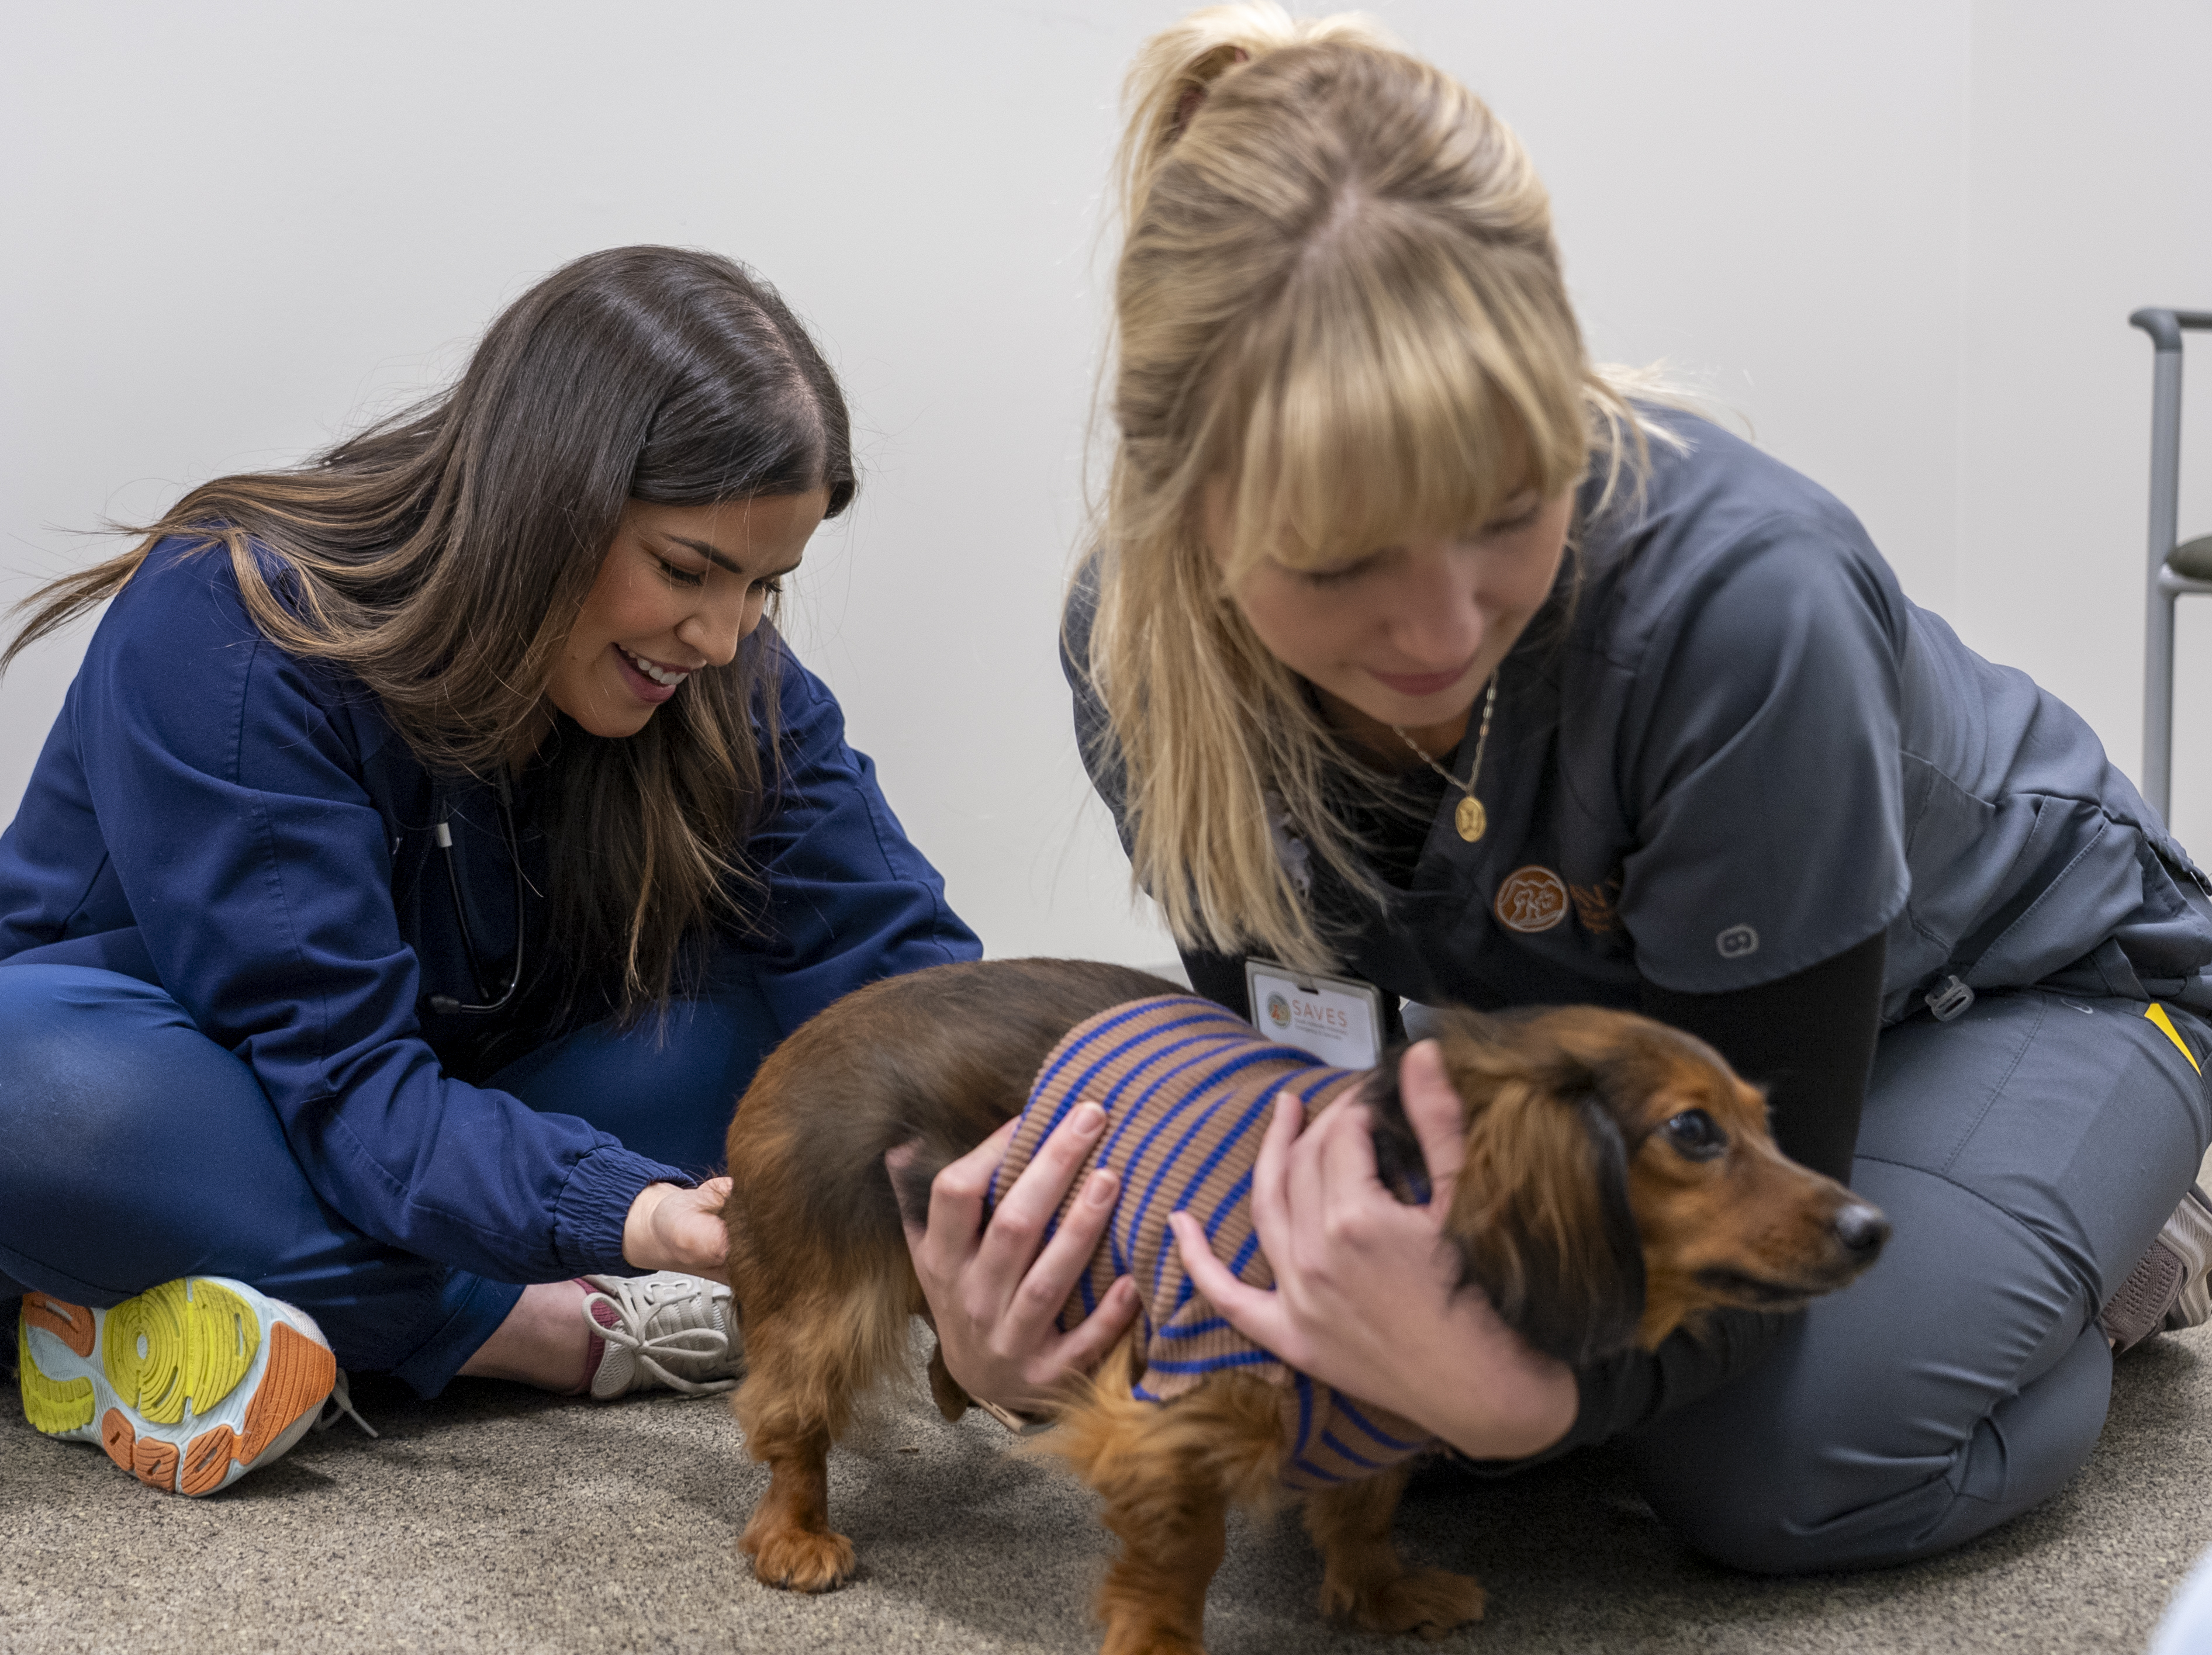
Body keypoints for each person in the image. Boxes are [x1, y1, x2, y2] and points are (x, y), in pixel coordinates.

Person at [897, 4, 2212, 1574]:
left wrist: (1518, 1402)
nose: (1444, 633)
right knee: (1383, 1399)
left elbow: (1746, 1164)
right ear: (1190, 519)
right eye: (1340, 563)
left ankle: (2118, 1251)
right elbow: (1306, 1095)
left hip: (2022, 990)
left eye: (1506, 513)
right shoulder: (1137, 654)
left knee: (1778, 1464)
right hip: (1654, 1056)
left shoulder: (1746, 608)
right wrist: (1034, 1339)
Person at [0, 246, 979, 1494]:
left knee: (789, 1052)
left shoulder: (726, 682)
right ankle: (535, 1331)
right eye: (684, 569)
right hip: (136, 1152)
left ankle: (182, 1336)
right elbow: (346, 1085)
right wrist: (640, 1221)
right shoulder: (230, 615)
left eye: (762, 588)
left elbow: (902, 973)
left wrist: (1021, 1189)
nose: (718, 637)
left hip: (422, 1130)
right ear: (545, 498)